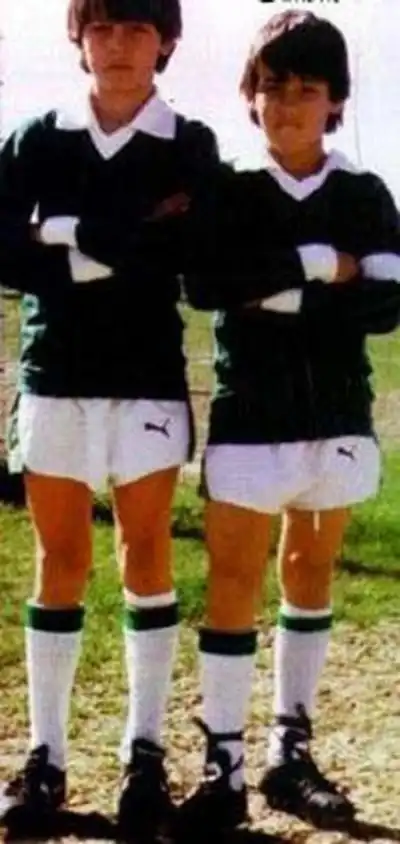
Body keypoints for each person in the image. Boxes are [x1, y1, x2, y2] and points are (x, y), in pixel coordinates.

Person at [0, 2, 336, 838]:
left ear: (167, 42)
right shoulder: (37, 138)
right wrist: (113, 238)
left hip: (147, 379)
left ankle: (142, 753)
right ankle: (45, 760)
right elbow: (4, 251)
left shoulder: (189, 146)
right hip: (53, 377)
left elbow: (183, 260)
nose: (118, 45)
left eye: (137, 28)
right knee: (60, 560)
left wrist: (59, 236)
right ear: (78, 39)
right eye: (102, 27)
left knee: (145, 556)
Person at [178, 10, 400, 835]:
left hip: (336, 416)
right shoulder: (232, 191)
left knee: (309, 572)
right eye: (273, 87)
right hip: (250, 417)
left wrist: (272, 291)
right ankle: (224, 767)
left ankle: (289, 754)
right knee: (233, 583)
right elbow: (207, 287)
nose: (289, 104)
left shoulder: (364, 195)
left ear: (335, 100)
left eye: (307, 88)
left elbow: (385, 306)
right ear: (252, 97)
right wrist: (318, 267)